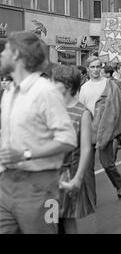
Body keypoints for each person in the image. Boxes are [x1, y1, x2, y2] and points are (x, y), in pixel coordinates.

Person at [0, 31, 77, 234]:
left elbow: (68, 139)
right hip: (6, 184)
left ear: (16, 54)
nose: (1, 54)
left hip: (41, 187)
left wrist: (26, 154)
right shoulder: (9, 93)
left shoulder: (46, 91)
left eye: (5, 50)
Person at [79, 56, 121, 199]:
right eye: (93, 67)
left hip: (106, 129)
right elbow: (81, 110)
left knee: (107, 163)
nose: (96, 70)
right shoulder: (84, 88)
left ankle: (119, 183)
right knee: (87, 168)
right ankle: (91, 198)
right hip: (88, 130)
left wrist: (113, 127)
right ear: (88, 69)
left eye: (98, 67)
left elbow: (117, 107)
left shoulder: (110, 85)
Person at [51, 65, 96, 234]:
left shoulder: (82, 113)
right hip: (49, 173)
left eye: (55, 82)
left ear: (68, 86)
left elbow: (86, 149)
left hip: (68, 173)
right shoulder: (51, 108)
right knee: (52, 220)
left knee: (67, 219)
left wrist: (78, 178)